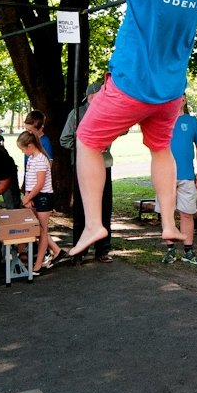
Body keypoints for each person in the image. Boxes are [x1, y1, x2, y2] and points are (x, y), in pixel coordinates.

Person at [69, 0, 197, 257]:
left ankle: (92, 224)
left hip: (130, 86)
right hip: (169, 94)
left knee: (88, 141)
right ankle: (168, 222)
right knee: (161, 149)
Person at [60, 81, 114, 263]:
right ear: (92, 96)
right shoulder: (76, 114)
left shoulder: (108, 111)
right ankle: (80, 249)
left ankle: (103, 249)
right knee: (83, 208)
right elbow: (65, 140)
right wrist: (88, 147)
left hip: (104, 165)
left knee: (105, 207)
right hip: (84, 166)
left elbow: (123, 129)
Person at [156, 102, 197, 265]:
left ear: (184, 99)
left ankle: (188, 252)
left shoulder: (192, 122)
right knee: (167, 214)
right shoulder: (162, 120)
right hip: (165, 177)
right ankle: (170, 251)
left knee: (187, 214)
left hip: (186, 177)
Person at [17, 130, 67, 275]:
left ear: (30, 145)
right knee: (37, 228)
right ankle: (56, 251)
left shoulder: (41, 159)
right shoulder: (32, 158)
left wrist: (28, 197)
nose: (22, 152)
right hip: (34, 196)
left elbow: (40, 184)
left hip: (43, 196)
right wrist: (27, 196)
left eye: (23, 149)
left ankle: (38, 264)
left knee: (42, 230)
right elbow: (30, 181)